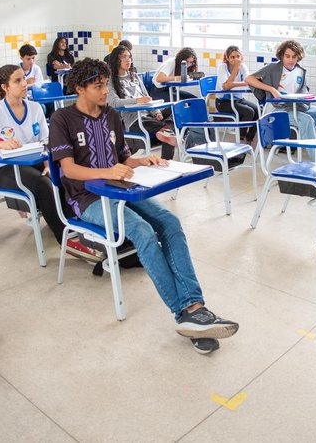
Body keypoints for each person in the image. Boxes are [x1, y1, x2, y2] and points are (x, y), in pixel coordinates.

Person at [49, 58, 238, 354]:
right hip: (86, 200)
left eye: (105, 85)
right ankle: (183, 312)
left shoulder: (110, 115)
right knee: (143, 232)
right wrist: (107, 172)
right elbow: (68, 170)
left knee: (171, 223)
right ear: (78, 88)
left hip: (122, 189)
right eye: (98, 86)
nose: (104, 92)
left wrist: (142, 160)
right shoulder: (62, 120)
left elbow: (123, 158)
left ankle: (195, 306)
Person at [0, 64, 69, 246]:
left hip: (35, 162)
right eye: (17, 81)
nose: (24, 84)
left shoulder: (35, 109)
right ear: (5, 87)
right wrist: (1, 144)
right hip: (5, 168)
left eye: (23, 79)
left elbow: (48, 141)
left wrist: (48, 165)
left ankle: (75, 225)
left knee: (64, 177)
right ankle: (63, 236)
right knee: (43, 184)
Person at [246, 40, 316, 165]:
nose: (291, 60)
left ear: (298, 57)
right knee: (306, 120)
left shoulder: (300, 71)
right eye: (287, 56)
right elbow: (249, 78)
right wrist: (272, 89)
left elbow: (302, 91)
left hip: (298, 107)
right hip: (278, 110)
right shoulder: (273, 68)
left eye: (294, 57)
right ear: (281, 56)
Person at [107, 45, 178, 158]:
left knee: (175, 109)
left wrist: (157, 112)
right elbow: (114, 102)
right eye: (124, 57)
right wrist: (137, 101)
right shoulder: (110, 80)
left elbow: (147, 96)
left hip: (149, 114)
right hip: (135, 119)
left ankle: (165, 134)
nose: (128, 60)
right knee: (167, 131)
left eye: (129, 57)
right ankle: (166, 135)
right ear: (116, 59)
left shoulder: (134, 76)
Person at [214, 45, 257, 143]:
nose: (236, 59)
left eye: (238, 56)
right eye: (232, 57)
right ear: (227, 59)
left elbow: (248, 81)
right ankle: (240, 138)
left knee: (257, 110)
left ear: (241, 57)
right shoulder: (222, 68)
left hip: (237, 99)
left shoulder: (243, 67)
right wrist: (235, 69)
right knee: (249, 112)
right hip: (223, 102)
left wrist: (232, 84)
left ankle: (249, 138)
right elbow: (225, 87)